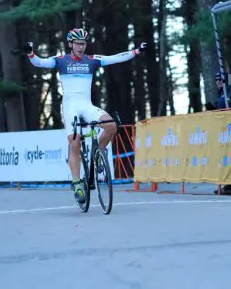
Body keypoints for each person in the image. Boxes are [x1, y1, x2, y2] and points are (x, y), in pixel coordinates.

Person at [23, 28, 147, 203]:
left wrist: (137, 51)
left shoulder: (92, 60)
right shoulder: (60, 61)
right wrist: (30, 53)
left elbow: (116, 58)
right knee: (75, 143)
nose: (81, 47)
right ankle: (77, 182)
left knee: (111, 125)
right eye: (78, 44)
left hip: (86, 106)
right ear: (70, 44)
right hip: (70, 107)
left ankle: (99, 154)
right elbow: (39, 63)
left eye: (83, 44)